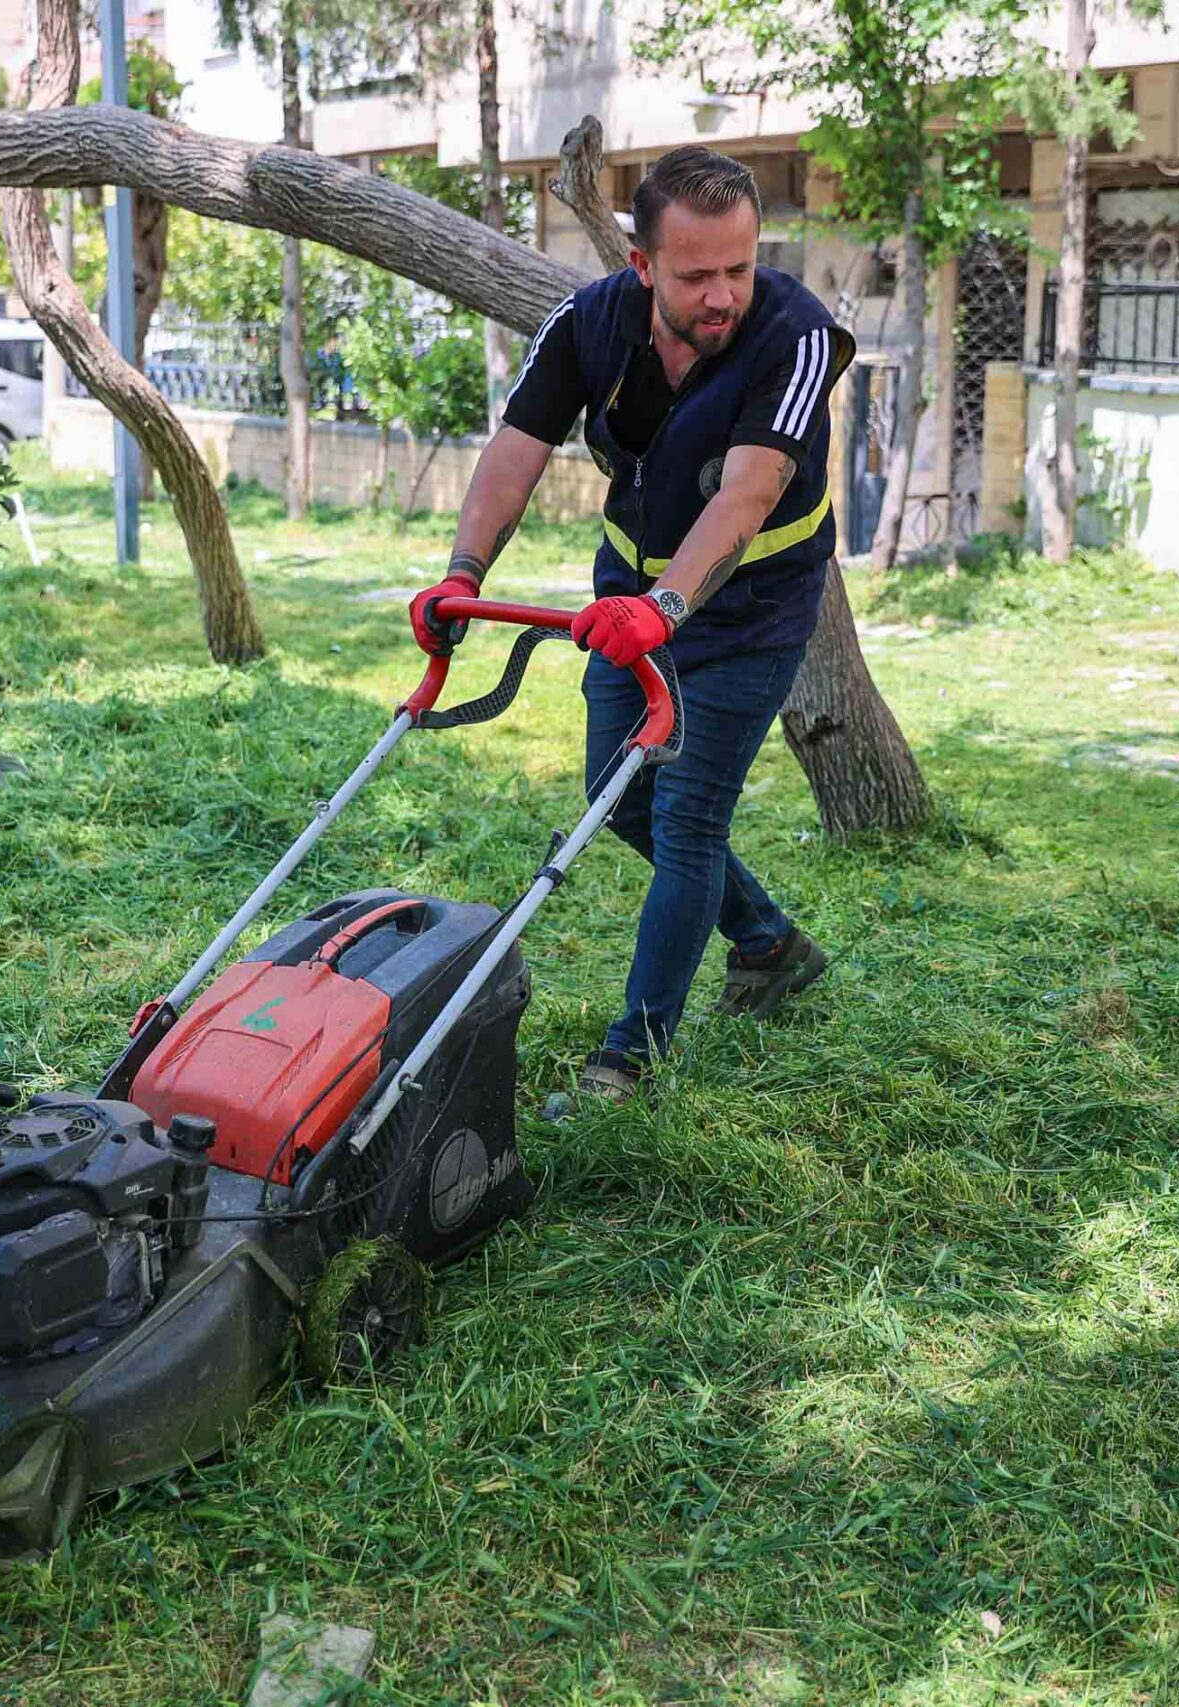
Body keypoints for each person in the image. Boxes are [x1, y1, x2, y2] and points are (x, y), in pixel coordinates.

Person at [408, 146, 856, 1104]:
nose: (724, 294)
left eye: (739, 266)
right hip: (629, 594)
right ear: (642, 264)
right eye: (696, 275)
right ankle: (770, 941)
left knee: (690, 817)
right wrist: (460, 575)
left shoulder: (797, 334)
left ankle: (629, 1058)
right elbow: (514, 451)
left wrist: (667, 609)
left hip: (747, 612)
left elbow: (751, 489)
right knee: (618, 796)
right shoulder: (590, 320)